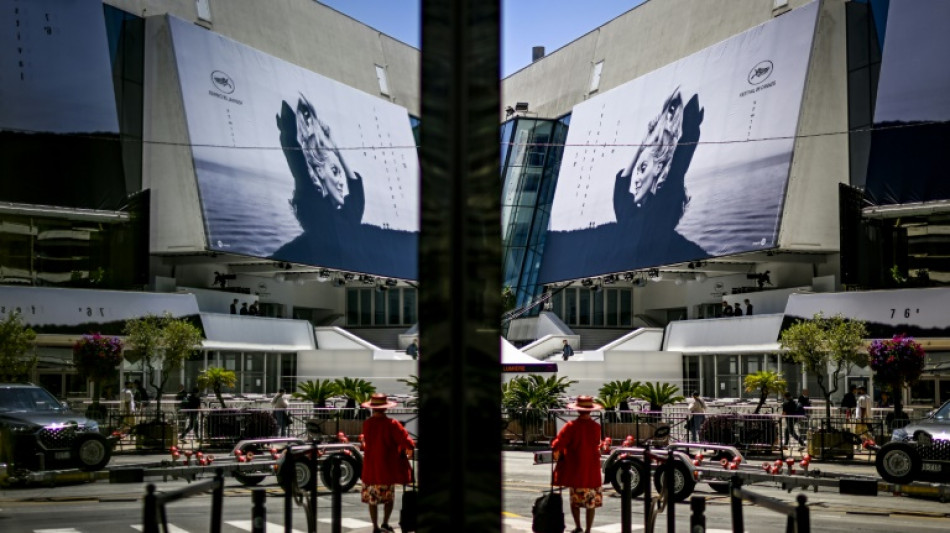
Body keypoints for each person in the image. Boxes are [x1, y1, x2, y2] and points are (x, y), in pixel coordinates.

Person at [360, 393, 415, 533]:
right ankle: (385, 523)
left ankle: (375, 527)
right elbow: (406, 441)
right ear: (385, 409)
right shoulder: (392, 424)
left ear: (372, 408)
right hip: (386, 468)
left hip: (370, 468)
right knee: (388, 498)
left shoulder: (367, 424)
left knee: (372, 500)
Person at [552, 395, 604, 533]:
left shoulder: (570, 427)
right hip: (592, 470)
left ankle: (578, 526)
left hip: (576, 470)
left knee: (575, 501)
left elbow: (558, 443)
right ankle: (588, 529)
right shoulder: (596, 427)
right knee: (590, 502)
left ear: (578, 410)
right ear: (590, 410)